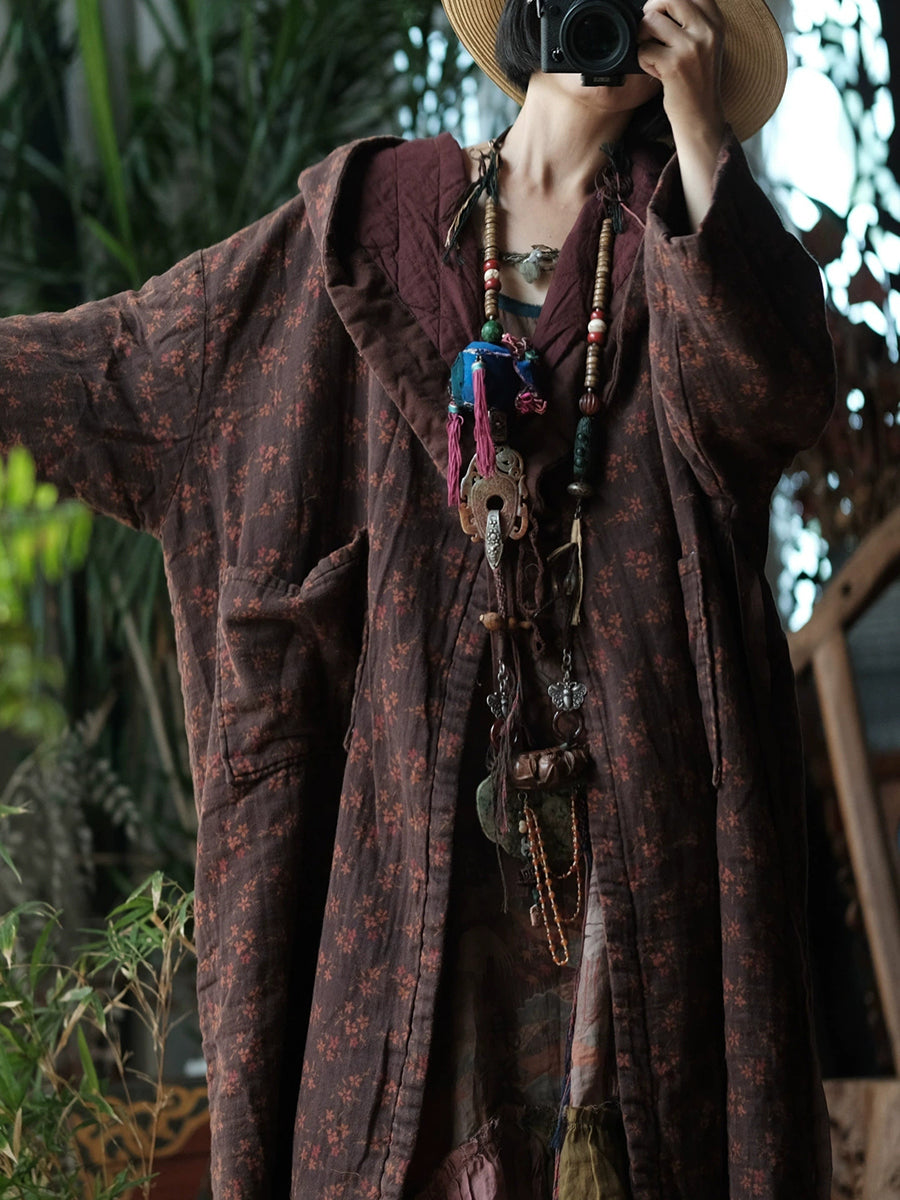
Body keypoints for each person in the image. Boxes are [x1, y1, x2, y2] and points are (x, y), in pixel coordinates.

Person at [0, 0, 835, 1194]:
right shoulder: (355, 236)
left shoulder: (684, 244)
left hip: (641, 890)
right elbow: (125, 369)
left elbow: (775, 399)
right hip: (405, 885)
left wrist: (706, 140)